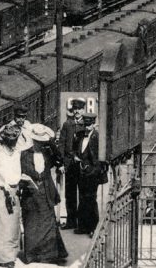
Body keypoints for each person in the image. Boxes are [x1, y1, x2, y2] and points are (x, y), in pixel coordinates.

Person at [19, 123, 68, 264]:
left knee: (48, 222)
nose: (41, 145)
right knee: (32, 223)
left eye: (43, 143)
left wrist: (51, 144)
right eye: (39, 142)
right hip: (31, 193)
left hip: (46, 191)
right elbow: (19, 172)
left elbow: (59, 158)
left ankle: (49, 255)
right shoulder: (24, 155)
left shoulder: (48, 153)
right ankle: (32, 255)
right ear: (33, 141)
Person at [0, 124, 23, 268]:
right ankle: (3, 258)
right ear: (5, 143)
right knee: (3, 226)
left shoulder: (17, 155)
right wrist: (2, 187)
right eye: (10, 144)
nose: (13, 146)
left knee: (13, 225)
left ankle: (12, 254)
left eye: (14, 143)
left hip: (15, 192)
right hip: (3, 194)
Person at [58, 98, 85, 230]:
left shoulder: (86, 124)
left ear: (83, 110)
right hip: (69, 164)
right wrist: (61, 163)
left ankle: (82, 222)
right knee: (70, 194)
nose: (76, 112)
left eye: (79, 109)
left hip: (82, 165)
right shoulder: (67, 124)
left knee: (83, 193)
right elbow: (62, 144)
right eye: (74, 109)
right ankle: (71, 221)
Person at [75, 112, 102, 236]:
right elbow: (77, 150)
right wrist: (77, 158)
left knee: (91, 200)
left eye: (89, 125)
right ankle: (82, 227)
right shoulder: (80, 136)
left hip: (92, 173)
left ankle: (93, 228)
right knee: (82, 199)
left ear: (93, 125)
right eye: (85, 125)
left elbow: (98, 158)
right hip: (82, 172)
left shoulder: (97, 137)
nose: (86, 127)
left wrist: (92, 171)